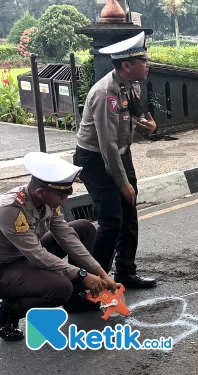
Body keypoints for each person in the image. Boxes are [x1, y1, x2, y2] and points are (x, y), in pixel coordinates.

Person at [0, 152, 121, 341]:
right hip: (5, 267)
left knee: (84, 228)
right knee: (60, 288)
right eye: (62, 195)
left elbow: (67, 237)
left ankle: (75, 300)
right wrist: (80, 274)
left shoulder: (47, 200)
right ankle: (8, 311)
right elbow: (37, 255)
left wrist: (102, 275)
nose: (65, 199)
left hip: (24, 256)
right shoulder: (10, 209)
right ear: (40, 192)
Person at [74, 31, 158, 289]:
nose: (148, 65)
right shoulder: (105, 94)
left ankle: (125, 272)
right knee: (111, 220)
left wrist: (147, 127)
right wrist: (122, 183)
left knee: (129, 213)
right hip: (96, 159)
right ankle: (95, 283)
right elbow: (106, 144)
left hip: (121, 153)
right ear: (126, 65)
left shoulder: (131, 85)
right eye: (144, 61)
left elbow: (129, 123)